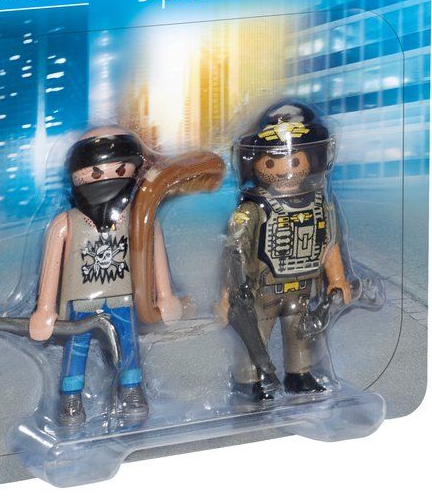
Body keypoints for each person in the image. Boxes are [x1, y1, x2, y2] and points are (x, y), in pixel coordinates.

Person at [29, 127, 183, 428]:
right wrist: (45, 309)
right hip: (80, 303)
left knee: (129, 346)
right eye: (95, 172)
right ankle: (71, 397)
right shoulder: (66, 223)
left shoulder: (139, 219)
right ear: (76, 175)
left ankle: (131, 389)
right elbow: (51, 267)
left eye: (120, 169)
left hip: (124, 298)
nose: (108, 179)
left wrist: (164, 295)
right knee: (76, 348)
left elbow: (154, 252)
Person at [218, 102, 352, 402]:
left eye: (293, 160)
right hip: (262, 289)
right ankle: (248, 378)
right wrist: (228, 294)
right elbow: (235, 252)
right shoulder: (252, 209)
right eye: (270, 163)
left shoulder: (320, 205)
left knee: (300, 331)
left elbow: (329, 244)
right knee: (256, 333)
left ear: (313, 159)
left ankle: (299, 373)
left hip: (302, 287)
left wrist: (337, 279)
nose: (282, 171)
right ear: (254, 164)